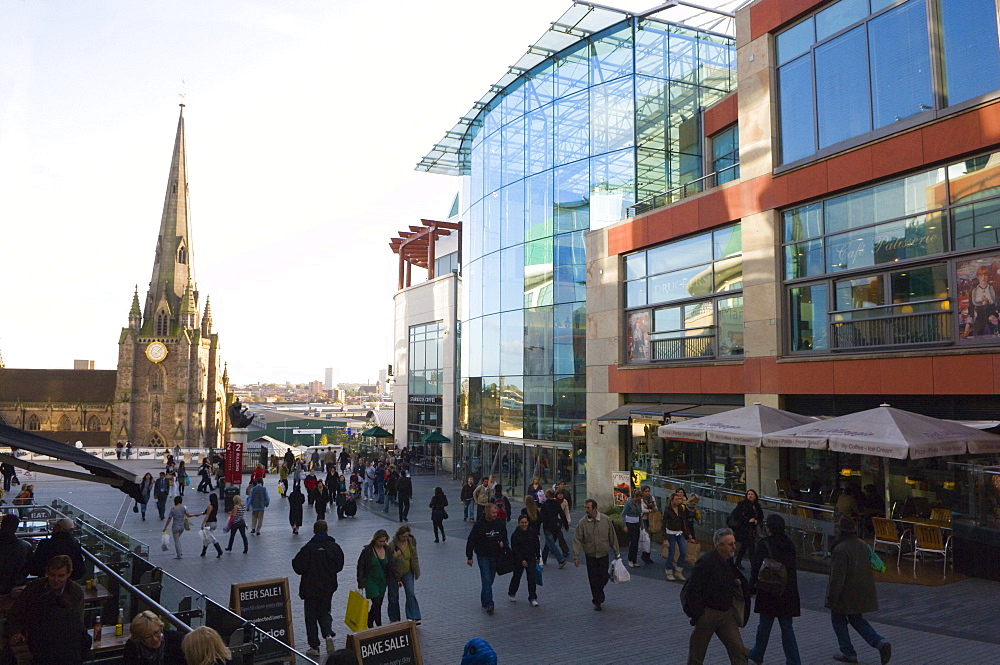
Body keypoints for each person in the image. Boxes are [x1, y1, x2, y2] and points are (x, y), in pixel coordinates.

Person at [827, 517, 892, 664]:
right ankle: (879, 642)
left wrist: (831, 598)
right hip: (861, 591)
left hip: (844, 594)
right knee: (856, 619)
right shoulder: (863, 545)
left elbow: (836, 578)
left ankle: (848, 652)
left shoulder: (840, 549)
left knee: (838, 620)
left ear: (841, 531)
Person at [7, 554, 90, 665]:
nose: (56, 580)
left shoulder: (75, 592)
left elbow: (77, 623)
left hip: (61, 642)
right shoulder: (34, 588)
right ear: (47, 573)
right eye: (52, 575)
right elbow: (16, 613)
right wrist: (16, 632)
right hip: (35, 638)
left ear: (69, 574)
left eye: (61, 576)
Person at [684, 528, 750, 665]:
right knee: (697, 656)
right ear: (719, 546)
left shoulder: (728, 561)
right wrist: (699, 614)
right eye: (730, 544)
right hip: (708, 614)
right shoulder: (706, 562)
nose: (734, 547)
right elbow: (693, 588)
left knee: (738, 650)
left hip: (726, 614)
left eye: (734, 543)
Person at [747, 514, 801, 665]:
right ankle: (794, 660)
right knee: (787, 627)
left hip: (768, 589)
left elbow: (755, 568)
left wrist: (751, 587)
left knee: (764, 624)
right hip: (786, 590)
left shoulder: (764, 544)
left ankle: (758, 653)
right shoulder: (789, 544)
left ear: (769, 527)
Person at [292, 520, 345, 658]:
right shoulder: (334, 547)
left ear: (314, 531)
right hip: (328, 587)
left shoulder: (308, 548)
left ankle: (314, 646)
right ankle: (328, 634)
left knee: (310, 617)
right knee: (325, 612)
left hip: (310, 588)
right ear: (327, 530)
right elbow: (339, 565)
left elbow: (297, 567)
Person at [572, 499, 619, 611]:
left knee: (604, 577)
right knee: (593, 579)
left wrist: (616, 552)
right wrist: (576, 555)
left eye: (588, 508)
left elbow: (612, 536)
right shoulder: (582, 522)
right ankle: (597, 600)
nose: (586, 510)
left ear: (594, 508)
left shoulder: (605, 520)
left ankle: (598, 593)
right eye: (585, 507)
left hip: (603, 554)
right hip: (591, 555)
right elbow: (577, 538)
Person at [465, 503, 509, 614]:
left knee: (490, 579)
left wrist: (504, 544)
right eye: (493, 513)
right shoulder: (479, 525)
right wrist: (469, 557)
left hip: (495, 555)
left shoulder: (499, 523)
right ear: (487, 512)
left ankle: (484, 597)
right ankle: (490, 602)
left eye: (496, 513)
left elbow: (504, 537)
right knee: (486, 578)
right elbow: (471, 540)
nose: (495, 515)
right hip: (483, 555)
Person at [357, 529, 396, 628]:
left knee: (378, 605)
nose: (382, 543)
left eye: (384, 541)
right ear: (375, 539)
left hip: (382, 581)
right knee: (376, 602)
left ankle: (370, 620)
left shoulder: (387, 550)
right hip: (370, 580)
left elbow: (391, 564)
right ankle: (378, 624)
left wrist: (397, 578)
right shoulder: (367, 550)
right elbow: (360, 566)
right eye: (380, 541)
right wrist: (360, 581)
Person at [387, 524, 421, 623]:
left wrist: (416, 570)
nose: (405, 538)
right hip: (395, 573)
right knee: (393, 596)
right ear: (399, 535)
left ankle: (413, 616)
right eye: (403, 536)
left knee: (410, 592)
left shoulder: (411, 541)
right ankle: (394, 619)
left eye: (407, 536)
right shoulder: (392, 544)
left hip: (408, 571)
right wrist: (395, 556)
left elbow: (414, 557)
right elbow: (388, 560)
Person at [507, 515, 540, 606]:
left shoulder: (532, 532)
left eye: (525, 522)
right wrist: (521, 560)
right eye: (522, 522)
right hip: (519, 559)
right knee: (517, 576)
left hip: (531, 558)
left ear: (528, 522)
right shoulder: (515, 534)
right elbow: (515, 549)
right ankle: (512, 592)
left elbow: (536, 544)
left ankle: (533, 597)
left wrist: (538, 556)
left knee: (532, 578)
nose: (524, 524)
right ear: (519, 523)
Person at [663, 491, 696, 581]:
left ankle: (678, 570)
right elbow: (663, 524)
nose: (678, 501)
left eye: (679, 499)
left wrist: (688, 534)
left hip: (680, 532)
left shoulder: (681, 509)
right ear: (672, 500)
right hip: (671, 533)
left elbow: (684, 521)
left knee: (683, 551)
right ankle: (669, 571)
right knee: (671, 552)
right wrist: (665, 538)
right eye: (676, 499)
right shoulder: (667, 510)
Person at [729, 489, 764, 568]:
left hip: (752, 529)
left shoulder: (757, 506)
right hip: (743, 528)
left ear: (755, 496)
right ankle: (753, 566)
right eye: (749, 494)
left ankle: (738, 562)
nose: (750, 496)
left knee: (745, 546)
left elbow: (761, 516)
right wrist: (748, 520)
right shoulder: (742, 504)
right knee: (751, 547)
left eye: (752, 494)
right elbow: (737, 516)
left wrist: (756, 521)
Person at [0, 514, 31, 594]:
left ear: (2, 525)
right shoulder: (25, 547)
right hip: (15, 587)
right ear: (16, 527)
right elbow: (29, 568)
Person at [540, 488, 568, 568]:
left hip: (547, 525)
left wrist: (537, 526)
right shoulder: (556, 503)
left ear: (547, 495)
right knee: (549, 542)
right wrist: (565, 524)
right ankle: (543, 559)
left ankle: (561, 559)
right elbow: (562, 514)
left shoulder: (544, 504)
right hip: (556, 525)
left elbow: (541, 516)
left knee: (550, 542)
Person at [622, 489, 644, 568]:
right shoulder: (628, 503)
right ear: (636, 496)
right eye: (639, 498)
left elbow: (640, 514)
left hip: (636, 523)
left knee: (636, 542)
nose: (640, 499)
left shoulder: (639, 503)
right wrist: (624, 525)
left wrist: (641, 524)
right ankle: (630, 559)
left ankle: (634, 560)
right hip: (629, 523)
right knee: (633, 542)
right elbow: (623, 514)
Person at [199, 493, 224, 558]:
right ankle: (203, 552)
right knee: (206, 538)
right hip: (214, 523)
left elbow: (207, 516)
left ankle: (219, 550)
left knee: (212, 538)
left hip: (209, 523)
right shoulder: (216, 506)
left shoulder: (210, 506)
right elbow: (205, 513)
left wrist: (203, 524)